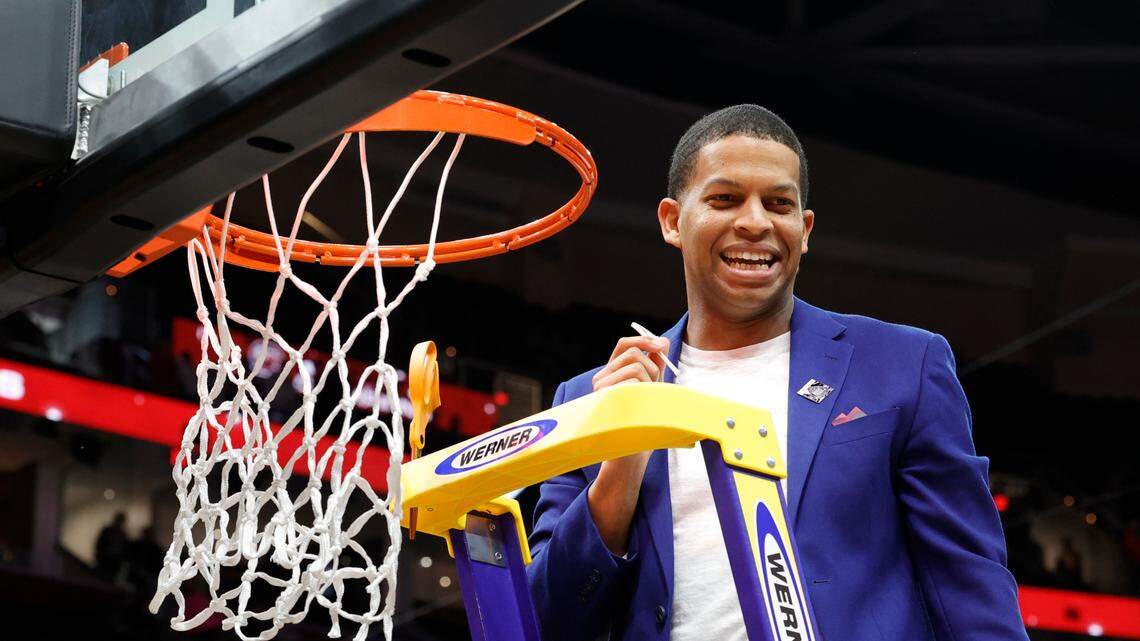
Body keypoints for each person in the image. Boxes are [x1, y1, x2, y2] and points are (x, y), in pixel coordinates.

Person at [526, 105, 1028, 641]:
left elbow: (970, 585)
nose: (756, 222)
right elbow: (545, 619)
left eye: (779, 203)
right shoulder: (590, 399)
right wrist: (619, 468)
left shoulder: (903, 364)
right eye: (724, 199)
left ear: (804, 229)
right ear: (673, 221)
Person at [95, 511, 129, 583]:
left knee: (108, 578)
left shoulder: (121, 533)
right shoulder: (118, 532)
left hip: (113, 559)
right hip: (108, 559)